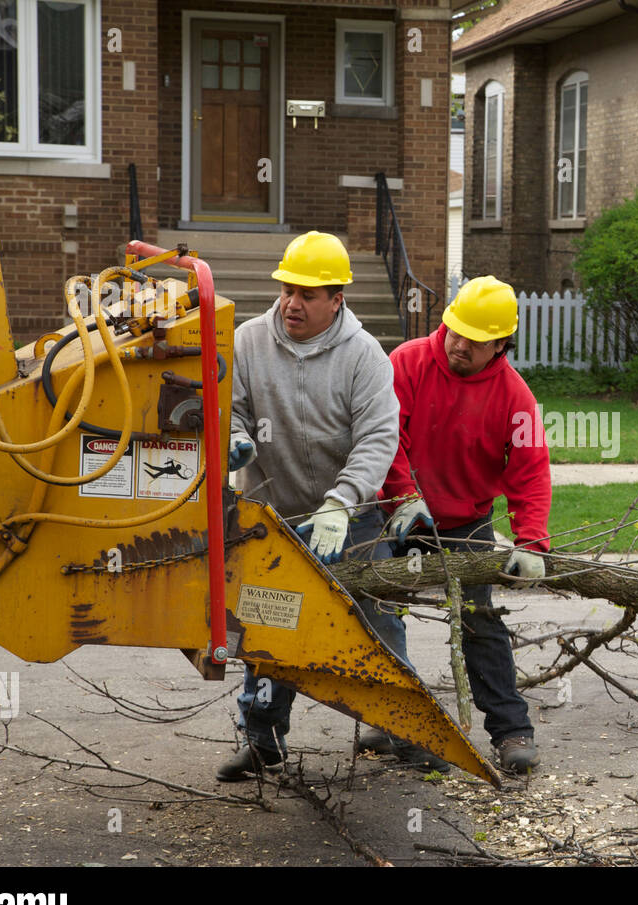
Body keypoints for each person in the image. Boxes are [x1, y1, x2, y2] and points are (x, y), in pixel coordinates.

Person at [216, 231, 434, 781]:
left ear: (337, 298)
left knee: (377, 620)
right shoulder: (247, 342)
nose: (292, 302)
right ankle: (262, 740)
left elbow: (378, 439)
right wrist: (234, 437)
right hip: (277, 515)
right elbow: (229, 409)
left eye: (307, 294)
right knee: (270, 626)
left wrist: (341, 503)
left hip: (351, 518)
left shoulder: (364, 356)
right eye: (288, 289)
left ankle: (401, 726)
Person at [366, 275, 551, 774]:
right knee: (379, 610)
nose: (459, 344)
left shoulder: (515, 396)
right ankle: (386, 717)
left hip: (465, 521)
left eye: (474, 339)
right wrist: (404, 495)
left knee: (478, 621)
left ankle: (511, 730)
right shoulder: (406, 362)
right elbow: (384, 436)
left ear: (501, 345)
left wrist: (531, 540)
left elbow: (530, 471)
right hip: (396, 516)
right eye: (454, 331)